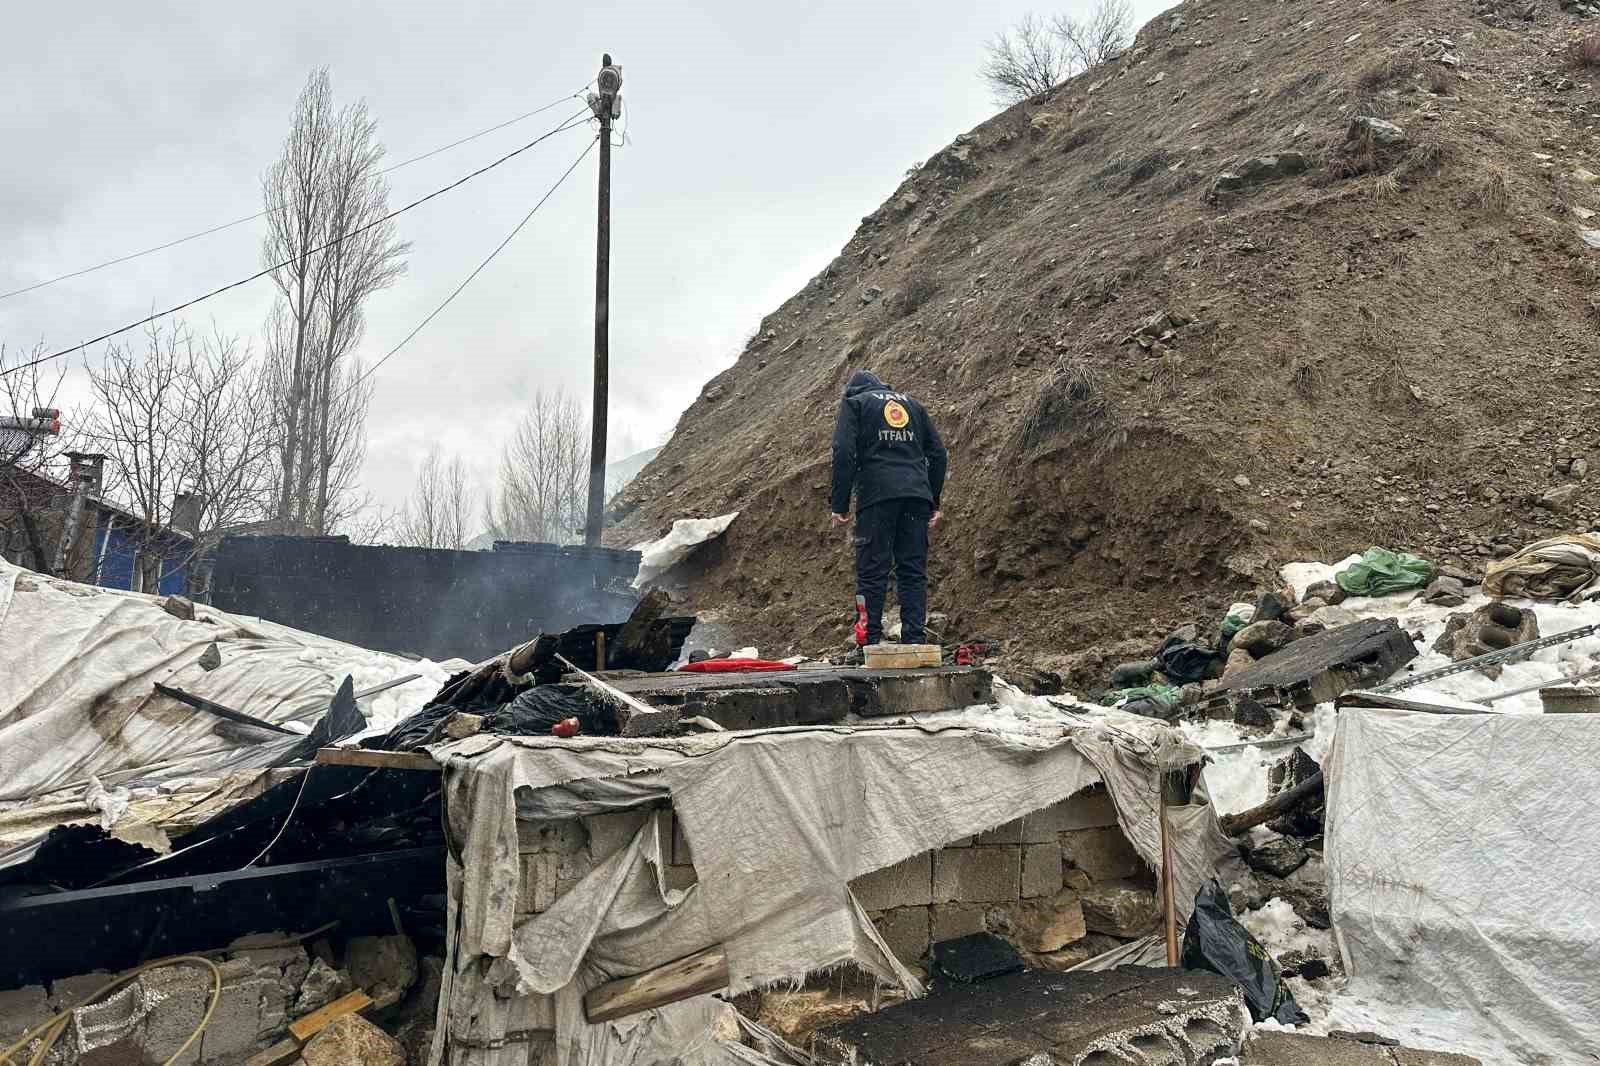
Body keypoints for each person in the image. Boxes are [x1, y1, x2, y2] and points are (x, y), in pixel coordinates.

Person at [829, 370, 948, 646]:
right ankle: (914, 641)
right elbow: (938, 454)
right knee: (913, 571)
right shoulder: (913, 405)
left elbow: (843, 451)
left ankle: (868, 643)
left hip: (877, 496)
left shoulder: (855, 403)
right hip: (917, 496)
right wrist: (933, 500)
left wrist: (840, 504)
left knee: (871, 571)